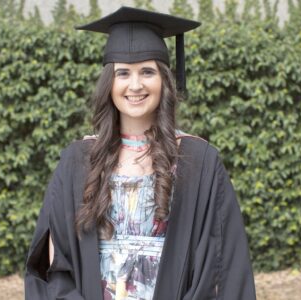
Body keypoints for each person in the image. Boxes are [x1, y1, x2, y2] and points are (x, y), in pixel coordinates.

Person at [24, 6, 256, 300]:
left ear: (165, 82)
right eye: (123, 73)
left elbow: (221, 265)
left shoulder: (199, 163)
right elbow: (53, 265)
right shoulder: (78, 161)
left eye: (147, 71)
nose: (135, 85)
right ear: (110, 83)